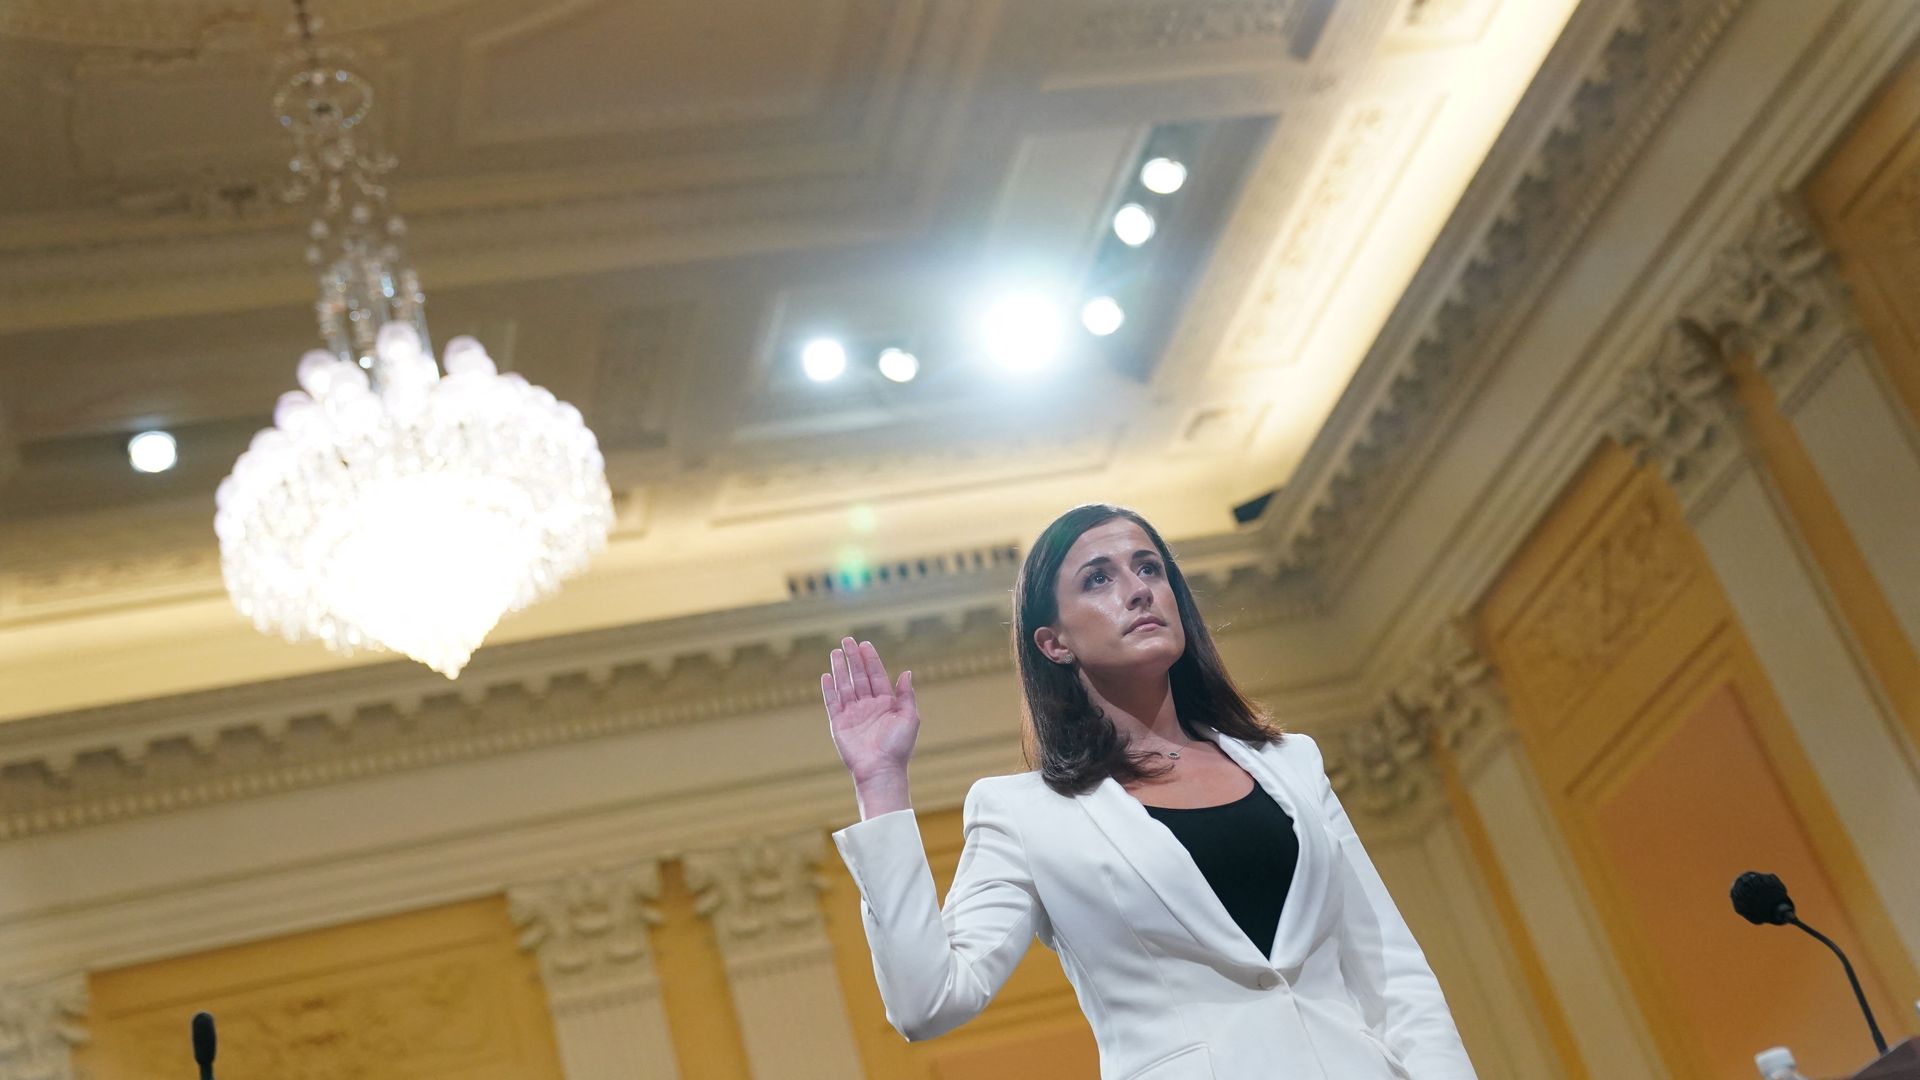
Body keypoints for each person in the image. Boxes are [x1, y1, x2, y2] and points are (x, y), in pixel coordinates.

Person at [822, 503, 1477, 1080]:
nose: (1137, 590)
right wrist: (880, 784)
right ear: (1052, 642)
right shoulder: (1022, 814)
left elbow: (1393, 973)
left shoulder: (1293, 762)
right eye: (1098, 578)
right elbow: (927, 1003)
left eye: (1149, 568)